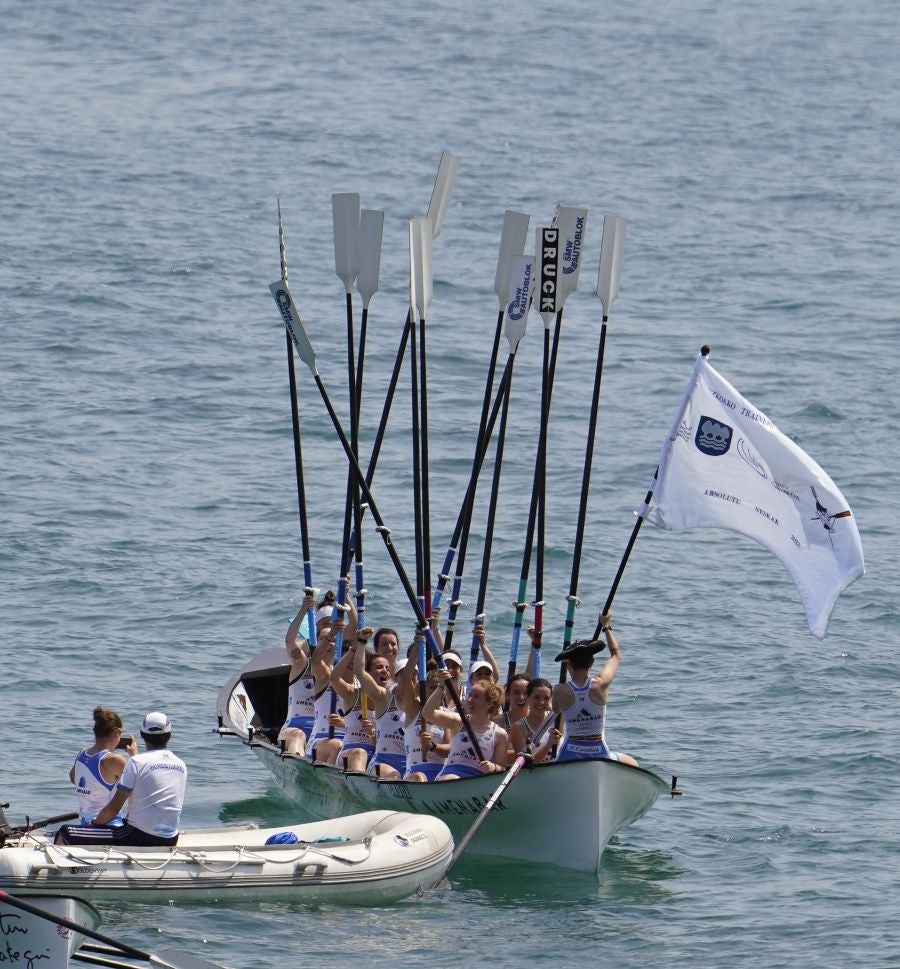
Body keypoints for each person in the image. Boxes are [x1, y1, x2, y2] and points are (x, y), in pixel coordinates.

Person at [56, 712, 188, 846]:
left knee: (65, 832)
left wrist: (93, 824)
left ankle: (74, 868)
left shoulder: (133, 762)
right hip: (171, 836)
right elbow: (147, 784)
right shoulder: (181, 765)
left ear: (142, 735)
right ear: (169, 735)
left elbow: (112, 808)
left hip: (134, 834)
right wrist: (134, 756)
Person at [552, 612, 638, 766]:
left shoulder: (559, 690)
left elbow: (556, 709)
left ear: (568, 665)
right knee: (632, 763)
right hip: (599, 752)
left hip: (569, 752)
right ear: (591, 663)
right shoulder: (600, 684)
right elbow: (616, 655)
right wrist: (606, 626)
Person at [423, 673, 509, 780]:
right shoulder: (458, 721)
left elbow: (502, 767)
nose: (470, 699)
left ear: (490, 703)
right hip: (448, 776)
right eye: (470, 695)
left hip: (476, 779)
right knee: (453, 778)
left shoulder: (500, 734)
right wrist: (441, 687)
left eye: (476, 696)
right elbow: (427, 713)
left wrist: (494, 767)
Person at [69, 706, 136, 825]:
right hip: (108, 825)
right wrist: (134, 755)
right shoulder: (115, 760)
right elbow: (141, 784)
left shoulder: (82, 754)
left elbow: (73, 779)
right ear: (116, 732)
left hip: (85, 822)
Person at [278, 594, 317, 757]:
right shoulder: (301, 663)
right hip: (294, 729)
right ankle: (298, 762)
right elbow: (289, 641)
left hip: (321, 734)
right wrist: (303, 610)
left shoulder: (335, 670)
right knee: (298, 736)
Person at [508, 678, 561, 763]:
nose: (541, 702)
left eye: (546, 698)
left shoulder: (557, 719)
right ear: (527, 697)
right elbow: (526, 763)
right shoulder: (518, 727)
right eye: (537, 697)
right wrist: (548, 746)